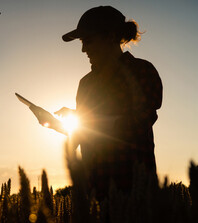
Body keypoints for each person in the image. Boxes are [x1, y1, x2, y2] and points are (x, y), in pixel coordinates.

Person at [57, 6, 162, 200]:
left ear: (112, 36)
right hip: (94, 193)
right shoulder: (86, 83)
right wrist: (64, 126)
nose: (83, 49)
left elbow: (136, 124)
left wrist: (83, 120)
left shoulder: (141, 72)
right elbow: (87, 135)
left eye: (88, 40)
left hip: (135, 195)